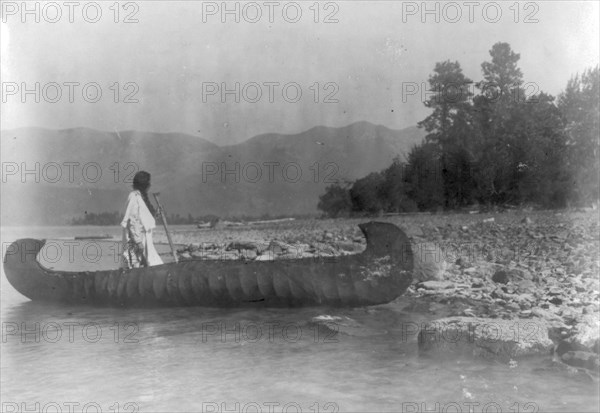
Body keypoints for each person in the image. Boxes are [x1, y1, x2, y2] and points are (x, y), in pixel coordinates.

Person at [121, 171, 163, 268]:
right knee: (136, 265)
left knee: (149, 263)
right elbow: (132, 221)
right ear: (144, 185)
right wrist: (138, 241)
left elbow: (145, 217)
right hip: (136, 238)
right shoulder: (134, 197)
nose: (150, 185)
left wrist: (157, 213)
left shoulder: (141, 197)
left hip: (143, 238)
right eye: (148, 183)